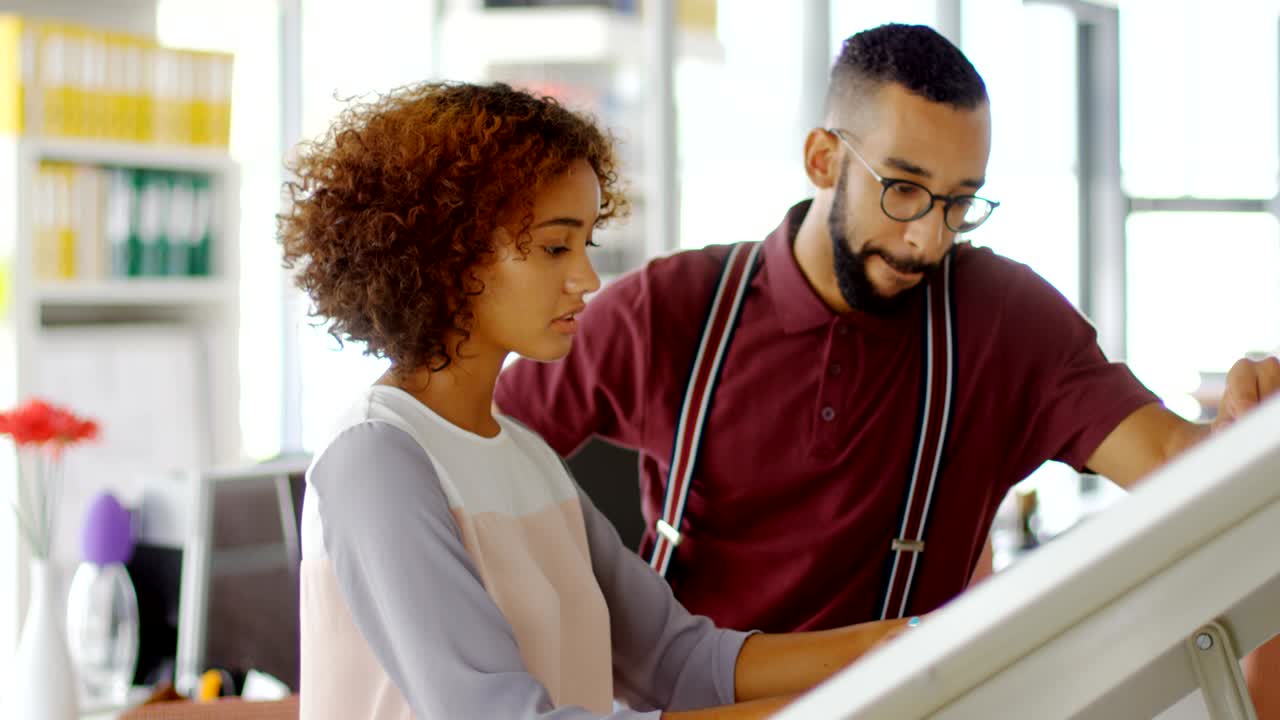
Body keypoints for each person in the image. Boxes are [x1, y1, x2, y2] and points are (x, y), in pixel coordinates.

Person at [495, 19, 1280, 671]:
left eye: (960, 203)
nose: (925, 238)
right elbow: (467, 451)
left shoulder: (1005, 320)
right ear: (823, 160)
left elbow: (1177, 464)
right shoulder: (668, 311)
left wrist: (1249, 431)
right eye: (902, 189)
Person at [280, 80, 917, 719]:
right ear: (453, 254)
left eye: (586, 245)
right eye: (557, 247)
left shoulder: (527, 456)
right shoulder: (375, 462)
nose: (586, 279)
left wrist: (903, 645)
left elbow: (679, 662)